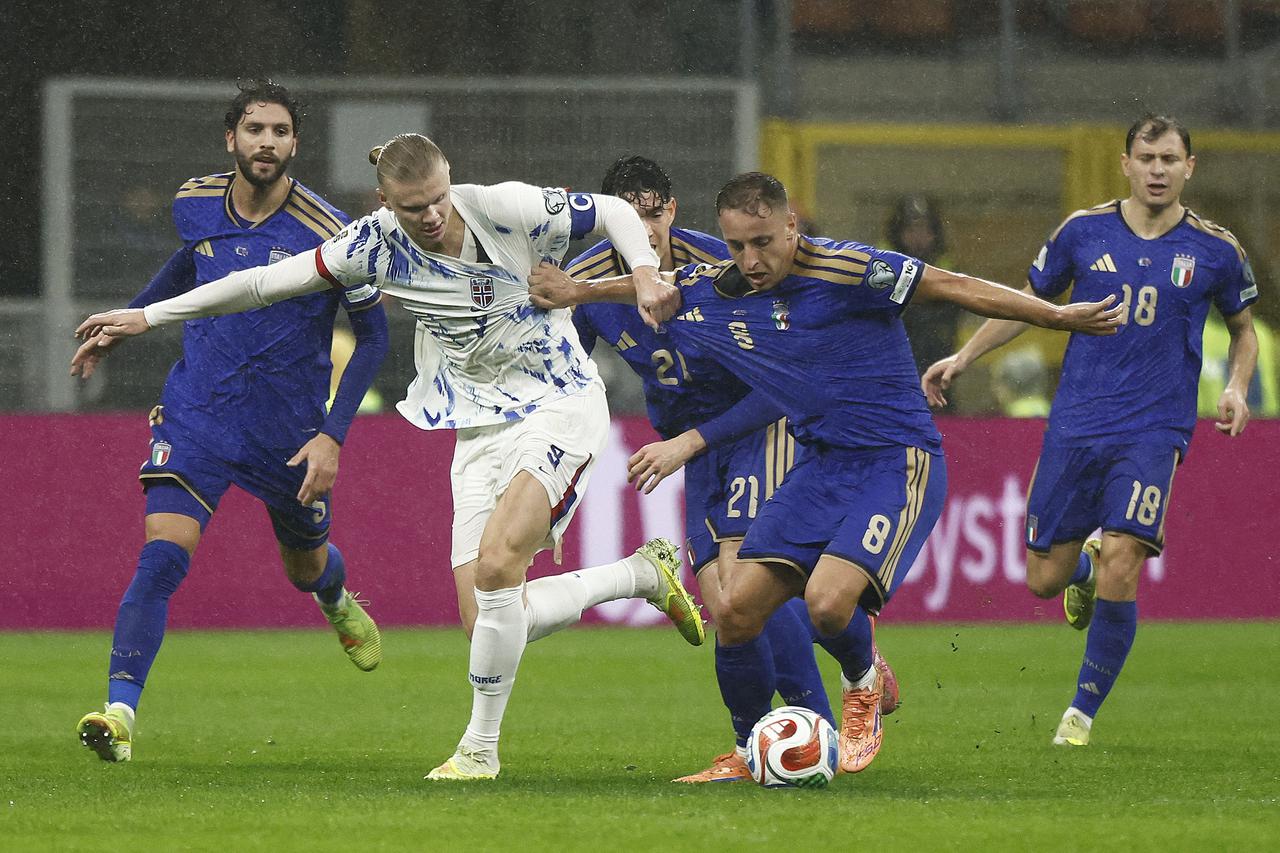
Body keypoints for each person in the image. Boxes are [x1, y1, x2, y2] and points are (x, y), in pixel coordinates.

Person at [75, 133, 702, 782]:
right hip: (479, 427)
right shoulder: (369, 245)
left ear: (450, 180)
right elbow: (258, 284)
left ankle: (479, 751)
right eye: (411, 207)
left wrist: (644, 272)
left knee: (496, 566)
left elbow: (614, 210)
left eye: (437, 200)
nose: (430, 216)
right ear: (385, 201)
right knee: (489, 618)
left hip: (559, 406)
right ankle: (639, 575)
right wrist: (148, 318)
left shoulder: (505, 206)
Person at [532, 171, 1122, 774]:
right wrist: (575, 291)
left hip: (895, 460)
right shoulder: (722, 284)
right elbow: (657, 288)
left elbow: (952, 284)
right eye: (737, 246)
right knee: (734, 610)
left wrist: (1055, 316)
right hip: (819, 465)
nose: (750, 261)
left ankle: (862, 683)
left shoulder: (849, 270)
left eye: (763, 242)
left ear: (791, 225)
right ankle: (747, 752)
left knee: (826, 604)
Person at [70, 80, 391, 763]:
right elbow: (191, 264)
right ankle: (119, 714)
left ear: (295, 143)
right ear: (230, 138)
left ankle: (334, 596)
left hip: (288, 432)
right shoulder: (194, 201)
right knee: (162, 555)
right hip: (200, 413)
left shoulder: (334, 232)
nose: (266, 142)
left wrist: (332, 435)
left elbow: (375, 337)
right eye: (254, 129)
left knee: (305, 568)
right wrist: (131, 320)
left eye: (279, 131)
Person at [560, 155, 901, 784]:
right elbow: (567, 378)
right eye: (627, 217)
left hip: (758, 427)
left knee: (747, 586)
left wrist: (689, 442)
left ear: (671, 210)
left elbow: (784, 378)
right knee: (726, 604)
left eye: (654, 212)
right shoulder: (587, 285)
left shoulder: (725, 264)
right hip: (693, 448)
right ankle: (754, 746)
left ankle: (824, 725)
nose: (645, 227)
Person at [922, 115, 1260, 747]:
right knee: (1042, 580)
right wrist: (965, 356)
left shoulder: (1216, 249)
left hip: (1155, 429)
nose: (1157, 170)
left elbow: (1244, 331)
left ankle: (1078, 717)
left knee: (1125, 562)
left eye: (1169, 159)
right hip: (1078, 424)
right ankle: (1081, 568)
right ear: (1125, 164)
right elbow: (1029, 302)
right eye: (1146, 158)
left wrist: (1237, 388)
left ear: (1189, 168)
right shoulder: (1082, 232)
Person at [885, 194, 965, 376]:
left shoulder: (946, 267)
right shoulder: (884, 267)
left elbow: (952, 313)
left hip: (937, 361)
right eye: (910, 230)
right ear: (898, 233)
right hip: (894, 362)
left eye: (924, 229)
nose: (918, 237)